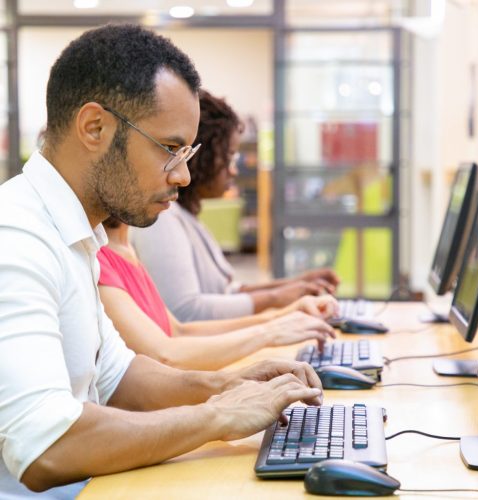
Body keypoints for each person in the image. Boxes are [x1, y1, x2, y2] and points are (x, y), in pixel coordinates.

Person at [0, 24, 325, 498]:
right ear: (95, 127)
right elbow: (45, 446)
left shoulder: (74, 233)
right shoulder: (16, 239)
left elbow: (117, 375)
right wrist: (217, 415)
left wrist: (226, 382)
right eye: (171, 150)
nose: (184, 175)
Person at [132, 89, 341, 322]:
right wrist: (276, 298)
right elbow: (186, 311)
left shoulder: (186, 217)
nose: (233, 170)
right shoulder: (162, 219)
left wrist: (298, 285)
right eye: (229, 157)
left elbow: (227, 291)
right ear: (202, 156)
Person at [98, 217, 337, 370]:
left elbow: (180, 330)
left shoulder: (126, 250)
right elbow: (164, 355)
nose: (181, 177)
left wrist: (284, 316)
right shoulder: (98, 259)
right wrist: (269, 332)